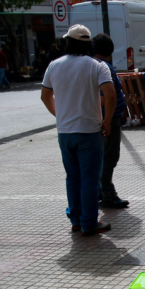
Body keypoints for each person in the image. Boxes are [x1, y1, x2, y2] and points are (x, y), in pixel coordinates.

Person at [40, 24, 116, 236]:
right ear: (88, 45)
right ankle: (89, 223)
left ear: (67, 42)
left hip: (65, 132)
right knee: (90, 178)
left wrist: (60, 115)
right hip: (89, 131)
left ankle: (75, 220)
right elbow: (110, 94)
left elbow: (45, 96)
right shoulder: (96, 66)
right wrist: (107, 121)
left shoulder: (54, 65)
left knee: (72, 177)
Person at [92, 33, 129, 209]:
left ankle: (101, 190)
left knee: (105, 156)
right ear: (111, 50)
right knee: (109, 156)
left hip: (108, 117)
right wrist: (107, 120)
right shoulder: (103, 67)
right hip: (109, 119)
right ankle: (107, 193)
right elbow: (105, 96)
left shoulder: (96, 65)